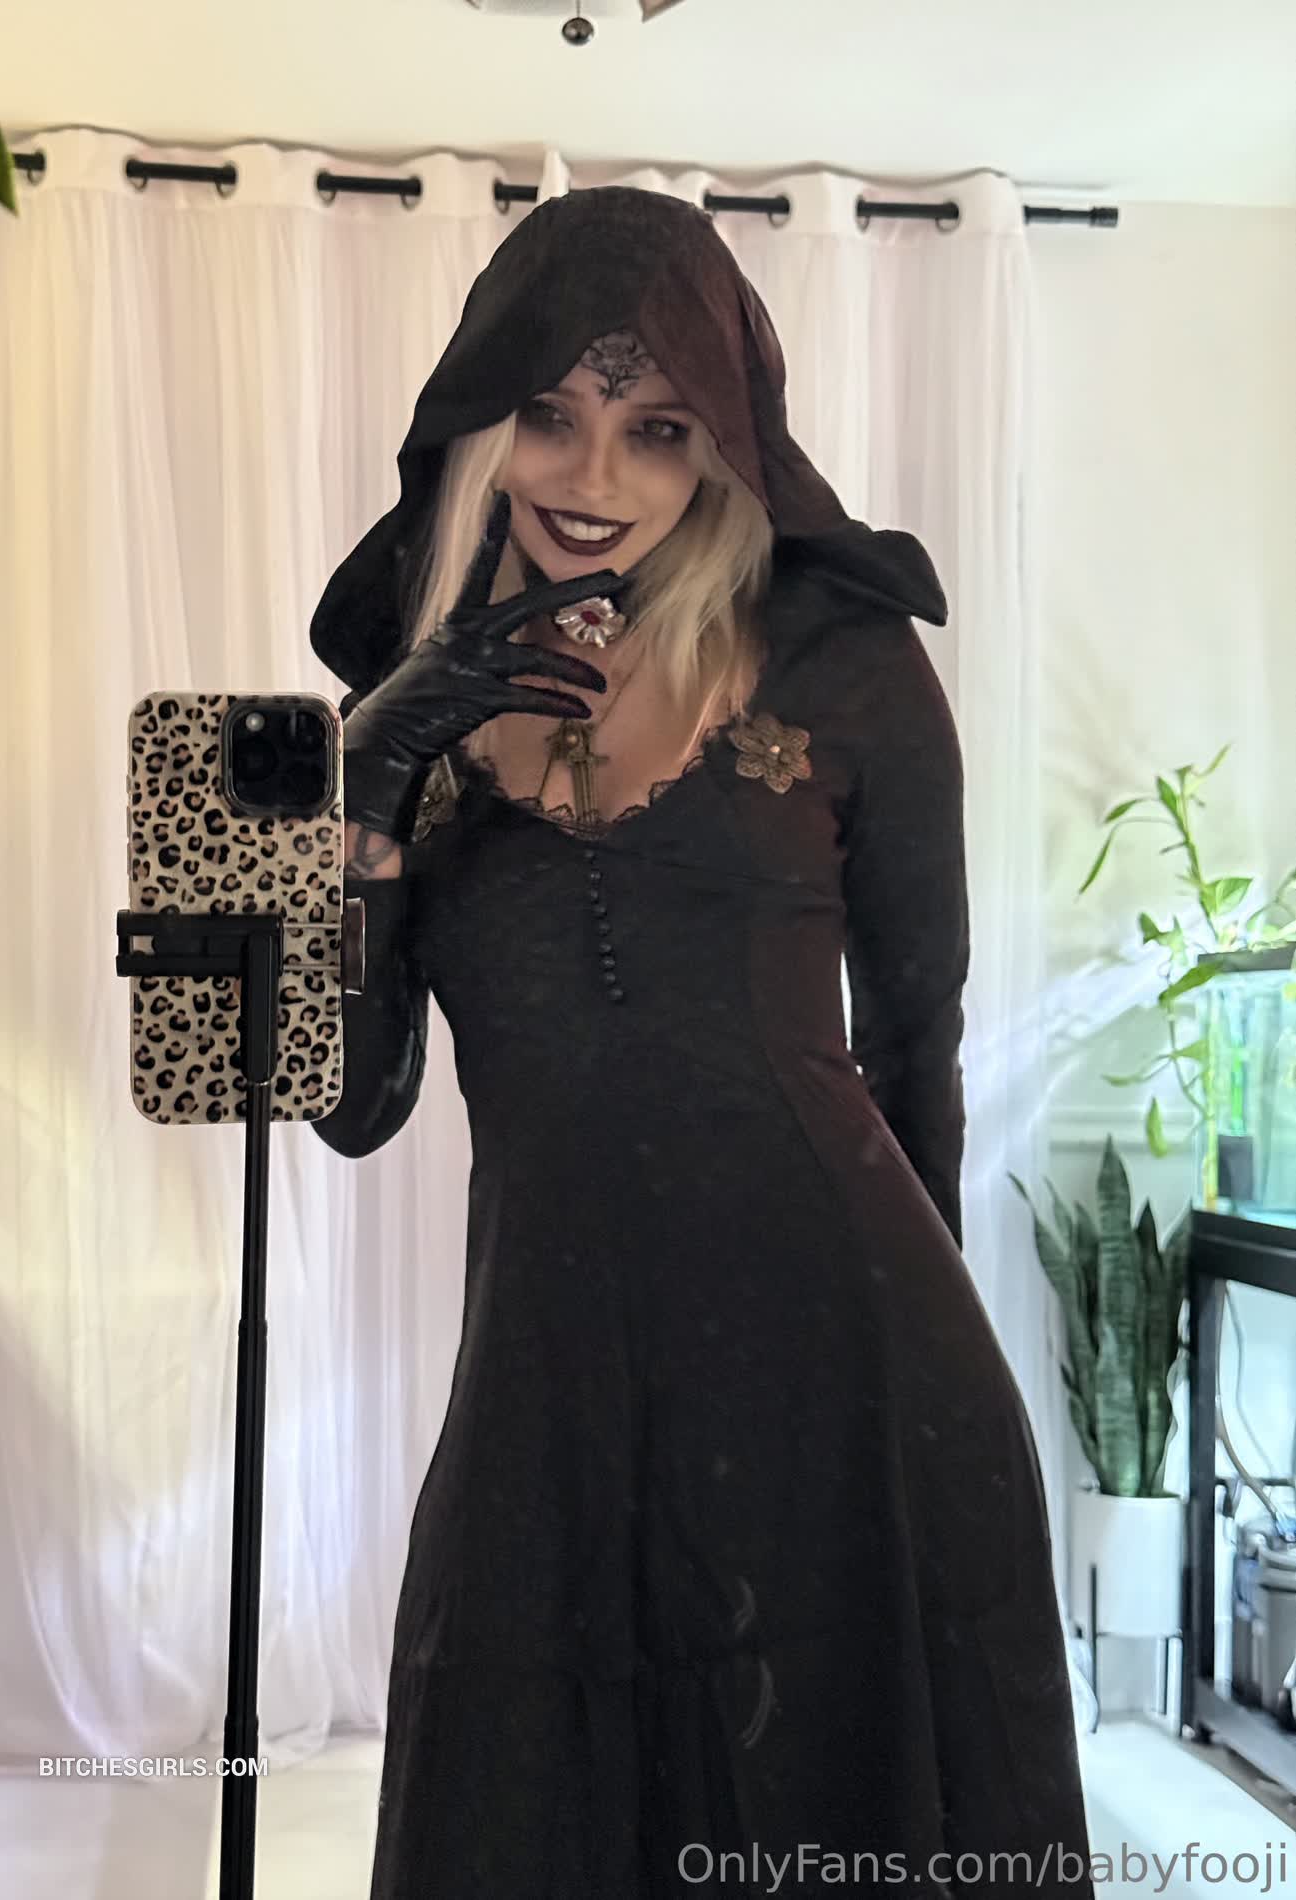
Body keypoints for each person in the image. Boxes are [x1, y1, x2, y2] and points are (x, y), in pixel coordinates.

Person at [308, 185, 1095, 1899]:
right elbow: (353, 1108)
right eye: (550, 414)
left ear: (724, 443)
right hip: (549, 1386)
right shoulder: (404, 716)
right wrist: (365, 792)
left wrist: (908, 1423)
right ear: (479, 421)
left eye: (657, 429)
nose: (594, 476)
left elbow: (918, 1045)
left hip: (844, 1368)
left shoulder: (841, 661)